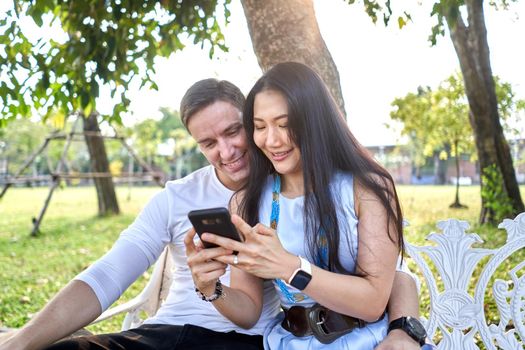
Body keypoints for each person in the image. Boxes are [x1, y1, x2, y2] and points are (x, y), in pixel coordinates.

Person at [0, 77, 423, 350]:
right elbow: (110, 273)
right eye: (208, 142)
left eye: (234, 130)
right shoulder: (212, 198)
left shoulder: (329, 188)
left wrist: (403, 329)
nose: (227, 151)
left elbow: (391, 280)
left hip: (252, 343)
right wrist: (209, 287)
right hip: (168, 334)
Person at [191, 62, 428, 349]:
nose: (272, 140)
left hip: (370, 340)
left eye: (284, 124)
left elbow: (372, 303)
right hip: (289, 342)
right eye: (260, 126)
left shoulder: (365, 188)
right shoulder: (247, 201)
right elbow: (249, 311)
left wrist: (288, 266)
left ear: (314, 120)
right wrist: (212, 289)